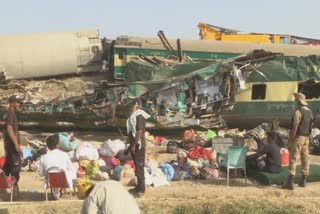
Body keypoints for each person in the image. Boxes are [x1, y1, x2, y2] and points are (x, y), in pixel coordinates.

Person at [283, 93, 313, 190]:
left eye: (296, 99)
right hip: (306, 137)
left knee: (294, 157)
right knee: (305, 157)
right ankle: (303, 180)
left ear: (298, 101)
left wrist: (291, 139)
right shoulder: (310, 112)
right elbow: (310, 126)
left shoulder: (298, 111)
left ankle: (290, 182)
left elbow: (295, 126)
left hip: (299, 137)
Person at [38, 134, 76, 199]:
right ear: (58, 145)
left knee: (50, 174)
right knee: (70, 170)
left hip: (50, 182)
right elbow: (71, 169)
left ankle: (55, 191)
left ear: (47, 146)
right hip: (64, 181)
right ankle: (62, 189)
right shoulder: (65, 155)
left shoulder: (43, 157)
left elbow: (41, 174)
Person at [125, 101, 150, 198]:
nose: (130, 108)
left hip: (138, 146)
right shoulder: (134, 115)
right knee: (137, 167)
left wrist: (134, 145)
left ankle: (142, 189)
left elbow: (139, 131)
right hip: (134, 145)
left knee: (139, 167)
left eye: (132, 106)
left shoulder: (139, 116)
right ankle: (138, 186)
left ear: (137, 106)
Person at [3, 95, 23, 196]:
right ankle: (14, 189)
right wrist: (16, 144)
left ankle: (3, 187)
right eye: (17, 102)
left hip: (9, 144)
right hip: (12, 145)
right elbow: (9, 129)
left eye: (20, 102)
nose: (19, 104)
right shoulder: (11, 113)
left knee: (8, 165)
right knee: (16, 167)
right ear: (11, 103)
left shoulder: (9, 113)